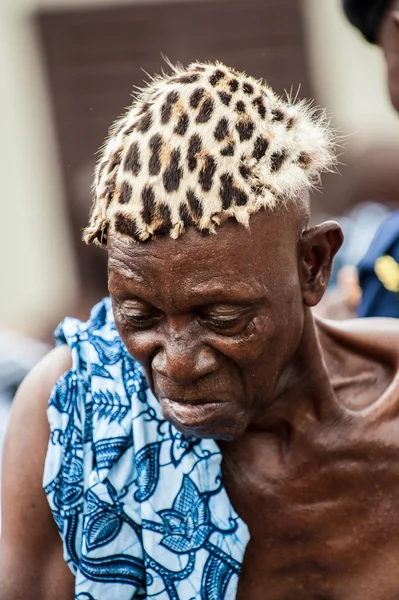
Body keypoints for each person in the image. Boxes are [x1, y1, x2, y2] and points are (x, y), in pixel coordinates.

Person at [2, 61, 399, 600]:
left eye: (223, 319)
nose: (178, 363)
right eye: (139, 317)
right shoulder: (71, 420)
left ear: (313, 265)